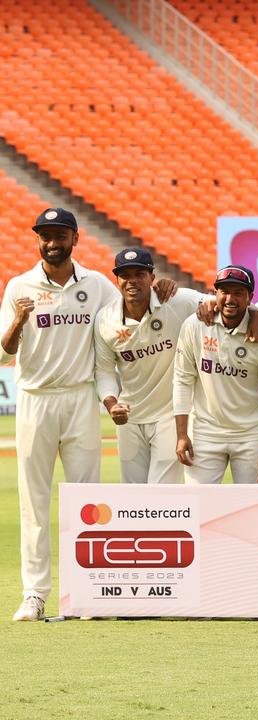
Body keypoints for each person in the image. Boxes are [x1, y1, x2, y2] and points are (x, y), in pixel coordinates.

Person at [2, 209, 121, 621]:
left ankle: (87, 592)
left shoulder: (97, 284)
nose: (52, 242)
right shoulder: (20, 286)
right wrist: (18, 318)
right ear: (38, 239)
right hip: (35, 398)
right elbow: (4, 352)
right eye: (45, 235)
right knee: (35, 501)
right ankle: (35, 594)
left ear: (75, 238)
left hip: (80, 399)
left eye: (59, 235)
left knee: (86, 499)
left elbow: (127, 317)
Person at [94, 248, 204, 485]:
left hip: (170, 416)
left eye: (139, 274)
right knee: (133, 494)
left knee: (162, 492)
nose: (132, 281)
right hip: (129, 418)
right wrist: (111, 404)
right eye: (125, 275)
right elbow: (103, 371)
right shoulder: (105, 319)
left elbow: (224, 303)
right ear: (117, 280)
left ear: (152, 278)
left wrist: (255, 316)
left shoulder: (177, 300)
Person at [173, 265, 258, 485]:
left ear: (250, 297)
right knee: (199, 505)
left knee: (256, 507)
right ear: (215, 293)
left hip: (251, 433)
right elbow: (182, 379)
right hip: (206, 431)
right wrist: (181, 434)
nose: (230, 298)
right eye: (224, 291)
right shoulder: (194, 326)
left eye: (238, 292)